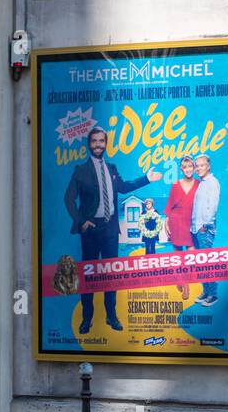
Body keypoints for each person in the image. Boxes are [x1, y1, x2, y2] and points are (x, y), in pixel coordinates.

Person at [63, 127, 161, 333]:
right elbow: (68, 199)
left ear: (106, 144)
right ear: (89, 144)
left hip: (109, 230)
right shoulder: (80, 170)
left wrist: (147, 179)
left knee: (111, 276)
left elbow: (123, 187)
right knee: (88, 276)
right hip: (90, 230)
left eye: (102, 141)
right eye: (94, 141)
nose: (98, 144)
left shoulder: (112, 168)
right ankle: (87, 318)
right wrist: (82, 221)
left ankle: (111, 316)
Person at [164, 155, 199, 300]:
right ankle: (184, 284)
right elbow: (169, 205)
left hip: (191, 223)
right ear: (181, 169)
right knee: (177, 255)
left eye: (190, 166)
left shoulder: (199, 184)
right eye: (185, 167)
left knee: (191, 256)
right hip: (176, 221)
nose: (188, 169)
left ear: (194, 168)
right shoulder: (175, 185)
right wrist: (166, 221)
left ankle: (183, 281)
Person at [190, 154, 221, 306]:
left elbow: (213, 207)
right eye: (197, 166)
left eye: (201, 165)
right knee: (201, 264)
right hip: (196, 229)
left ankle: (213, 295)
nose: (198, 168)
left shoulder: (212, 182)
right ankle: (206, 291)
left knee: (207, 263)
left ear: (208, 166)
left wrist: (205, 226)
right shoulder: (202, 183)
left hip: (205, 230)